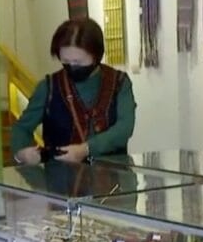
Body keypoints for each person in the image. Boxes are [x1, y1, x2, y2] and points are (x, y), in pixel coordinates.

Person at [11, 18, 136, 165]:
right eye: (65, 61)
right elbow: (22, 128)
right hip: (60, 175)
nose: (71, 66)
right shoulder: (48, 87)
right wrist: (22, 153)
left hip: (114, 173)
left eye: (78, 62)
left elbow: (124, 127)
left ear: (96, 56)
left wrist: (85, 149)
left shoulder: (119, 82)